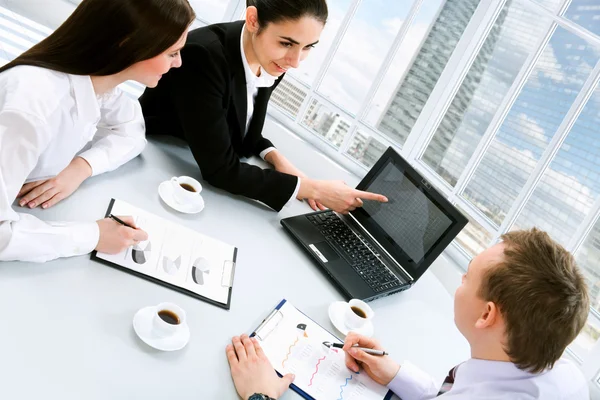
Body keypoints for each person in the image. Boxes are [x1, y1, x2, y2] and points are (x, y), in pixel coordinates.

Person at [225, 228, 590, 399]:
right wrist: (393, 372)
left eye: (467, 277)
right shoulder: (566, 375)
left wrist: (261, 397)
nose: (459, 281)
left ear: (486, 315)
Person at [139, 0, 388, 213]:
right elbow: (220, 170)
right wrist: (313, 189)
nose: (296, 61)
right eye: (287, 43)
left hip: (189, 162)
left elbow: (243, 132)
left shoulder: (270, 61)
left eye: (308, 47)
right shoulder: (204, 56)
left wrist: (277, 159)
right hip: (153, 160)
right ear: (253, 20)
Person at [0, 0, 196, 262]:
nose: (179, 63)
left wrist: (81, 167)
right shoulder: (31, 109)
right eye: (172, 53)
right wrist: (94, 236)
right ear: (129, 43)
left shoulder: (97, 82)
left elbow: (132, 132)